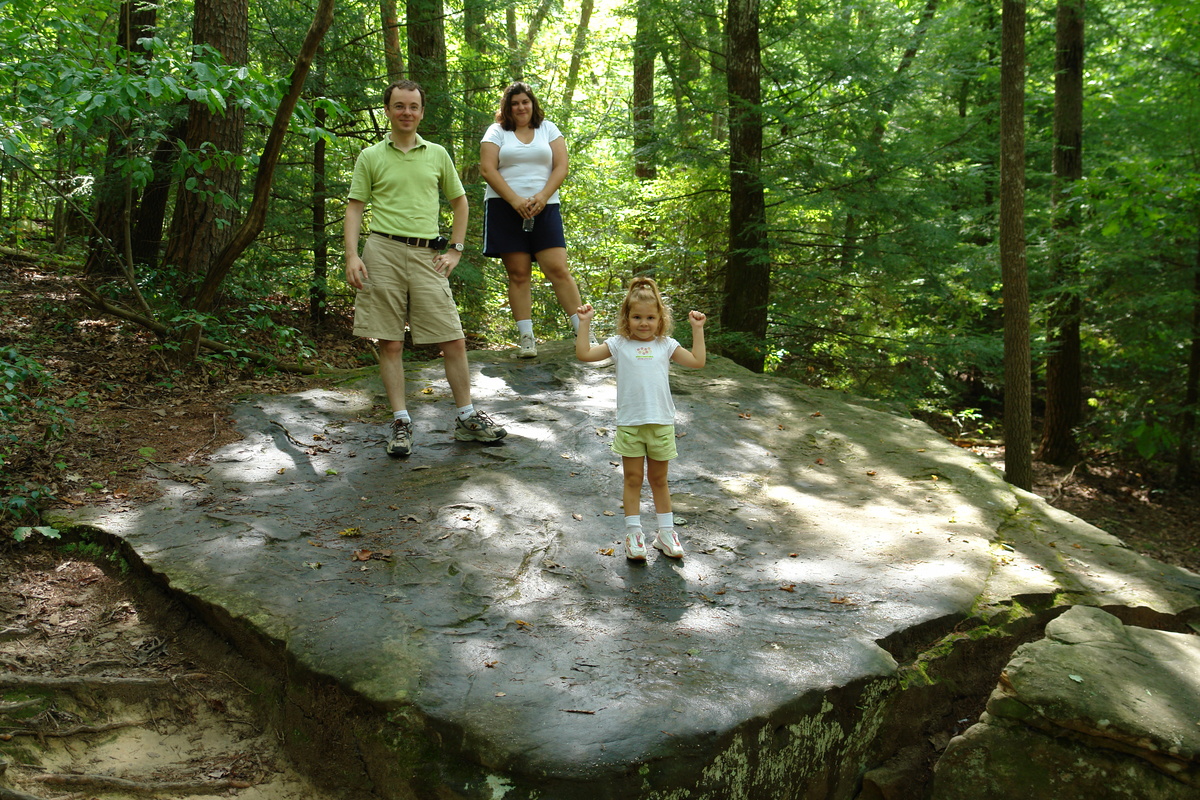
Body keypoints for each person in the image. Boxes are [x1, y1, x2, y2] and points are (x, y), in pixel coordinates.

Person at [344, 80, 507, 457]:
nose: (406, 113)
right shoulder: (371, 156)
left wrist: (456, 249)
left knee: (452, 338)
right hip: (381, 250)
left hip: (427, 255)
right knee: (390, 341)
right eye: (399, 106)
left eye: (413, 107)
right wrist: (352, 256)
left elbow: (460, 203)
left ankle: (467, 418)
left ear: (421, 112)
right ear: (387, 110)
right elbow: (355, 207)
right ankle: (401, 421)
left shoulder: (437, 155)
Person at [576, 278, 707, 560]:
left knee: (659, 479)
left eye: (650, 317)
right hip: (630, 424)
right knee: (633, 479)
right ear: (627, 317)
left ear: (661, 318)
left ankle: (665, 533)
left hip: (660, 423)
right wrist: (584, 322)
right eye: (637, 317)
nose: (644, 323)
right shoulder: (619, 344)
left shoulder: (666, 345)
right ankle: (634, 534)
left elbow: (697, 361)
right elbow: (584, 354)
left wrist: (698, 329)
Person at [479, 81, 584, 358]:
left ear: (532, 103)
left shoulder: (548, 129)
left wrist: (542, 196)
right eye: (514, 103)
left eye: (525, 101)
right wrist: (514, 200)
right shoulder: (497, 132)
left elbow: (562, 166)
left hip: (545, 207)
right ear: (507, 107)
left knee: (557, 268)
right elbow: (488, 169)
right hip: (505, 208)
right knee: (519, 274)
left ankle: (584, 333)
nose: (520, 107)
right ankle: (527, 338)